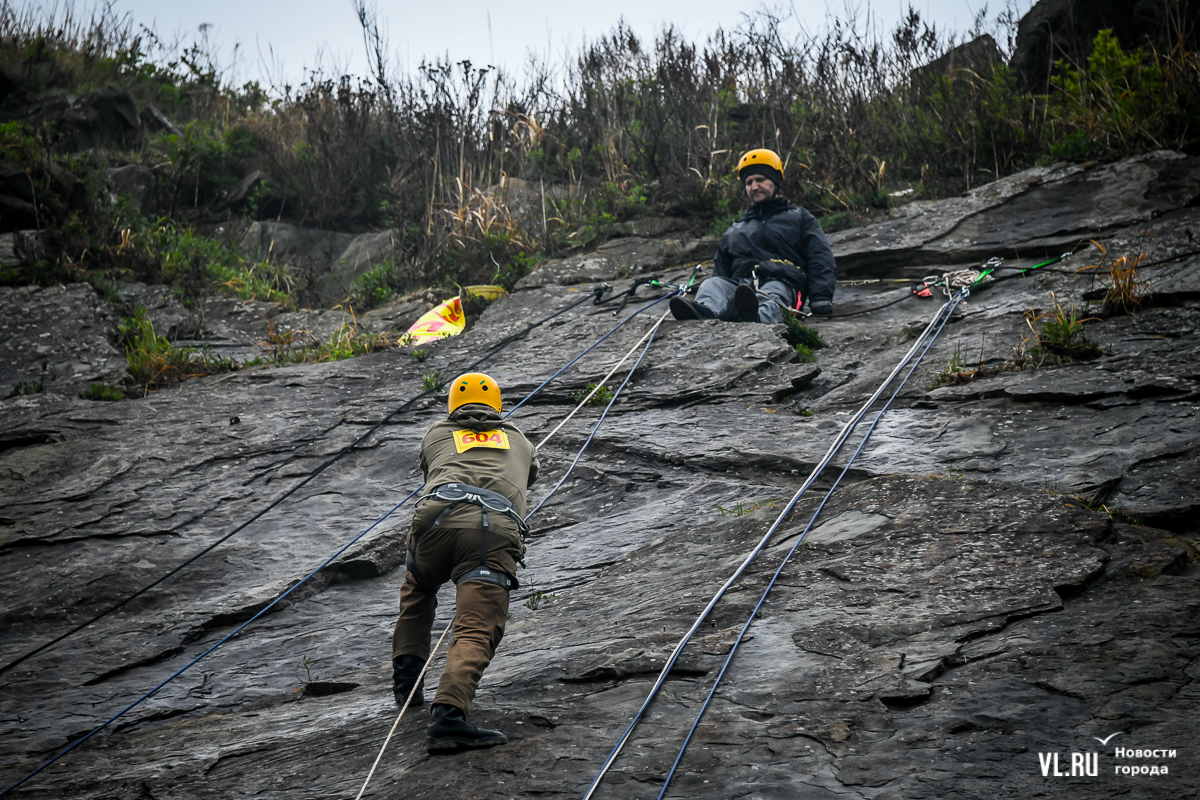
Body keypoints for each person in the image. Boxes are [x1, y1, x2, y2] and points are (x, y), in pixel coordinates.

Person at [390, 372, 538, 753]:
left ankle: (407, 681)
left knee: (418, 585)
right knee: (475, 627)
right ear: (498, 406)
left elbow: (429, 466)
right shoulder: (520, 440)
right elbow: (531, 475)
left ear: (452, 405)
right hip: (491, 530)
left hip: (434, 520)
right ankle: (449, 717)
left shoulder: (437, 433)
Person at [671, 148, 837, 322]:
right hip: (742, 288)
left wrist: (821, 297)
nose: (754, 187)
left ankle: (757, 318)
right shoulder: (734, 231)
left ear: (775, 182)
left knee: (775, 290)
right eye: (749, 182)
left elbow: (820, 257)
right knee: (711, 284)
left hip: (783, 282)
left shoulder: (800, 218)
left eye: (760, 180)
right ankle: (706, 312)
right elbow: (721, 273)